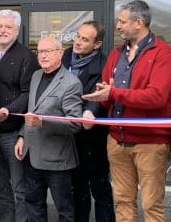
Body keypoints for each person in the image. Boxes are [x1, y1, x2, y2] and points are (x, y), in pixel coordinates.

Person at [83, 0, 171, 222]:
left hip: (150, 143)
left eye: (122, 21)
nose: (117, 26)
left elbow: (156, 97)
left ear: (139, 23)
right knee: (123, 202)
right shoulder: (116, 55)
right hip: (117, 140)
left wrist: (113, 93)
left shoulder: (163, 54)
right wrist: (92, 107)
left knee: (151, 205)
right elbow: (105, 92)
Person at [13, 36, 83, 221]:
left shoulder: (71, 83)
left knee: (64, 209)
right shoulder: (36, 76)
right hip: (32, 155)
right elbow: (31, 111)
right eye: (40, 52)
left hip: (57, 159)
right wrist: (22, 136)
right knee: (34, 205)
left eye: (48, 51)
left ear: (60, 53)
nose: (42, 56)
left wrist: (43, 122)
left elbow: (75, 123)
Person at [0, 9, 37, 222]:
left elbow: (29, 93)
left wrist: (8, 110)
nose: (3, 31)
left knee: (20, 186)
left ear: (17, 30)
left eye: (8, 27)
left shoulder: (26, 57)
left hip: (12, 132)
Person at [60, 21, 114, 222]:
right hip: (67, 133)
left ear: (97, 44)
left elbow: (102, 95)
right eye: (77, 36)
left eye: (85, 39)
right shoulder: (64, 56)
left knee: (100, 189)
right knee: (77, 188)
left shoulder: (105, 64)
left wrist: (89, 112)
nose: (78, 42)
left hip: (92, 135)